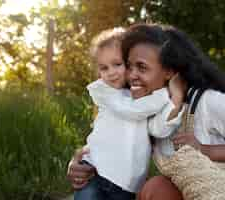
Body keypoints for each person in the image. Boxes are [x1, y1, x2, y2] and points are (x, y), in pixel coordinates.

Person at [68, 23, 225, 199]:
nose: (132, 75)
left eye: (142, 67)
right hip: (192, 189)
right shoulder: (140, 107)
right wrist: (78, 162)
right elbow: (108, 140)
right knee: (155, 189)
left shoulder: (207, 102)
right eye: (129, 66)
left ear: (170, 72)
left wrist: (206, 150)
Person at [73, 27, 184, 200]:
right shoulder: (105, 92)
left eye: (117, 64)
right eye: (104, 67)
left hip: (127, 182)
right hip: (96, 171)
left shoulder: (143, 97)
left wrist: (175, 99)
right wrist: (164, 94)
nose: (110, 72)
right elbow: (132, 110)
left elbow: (160, 129)